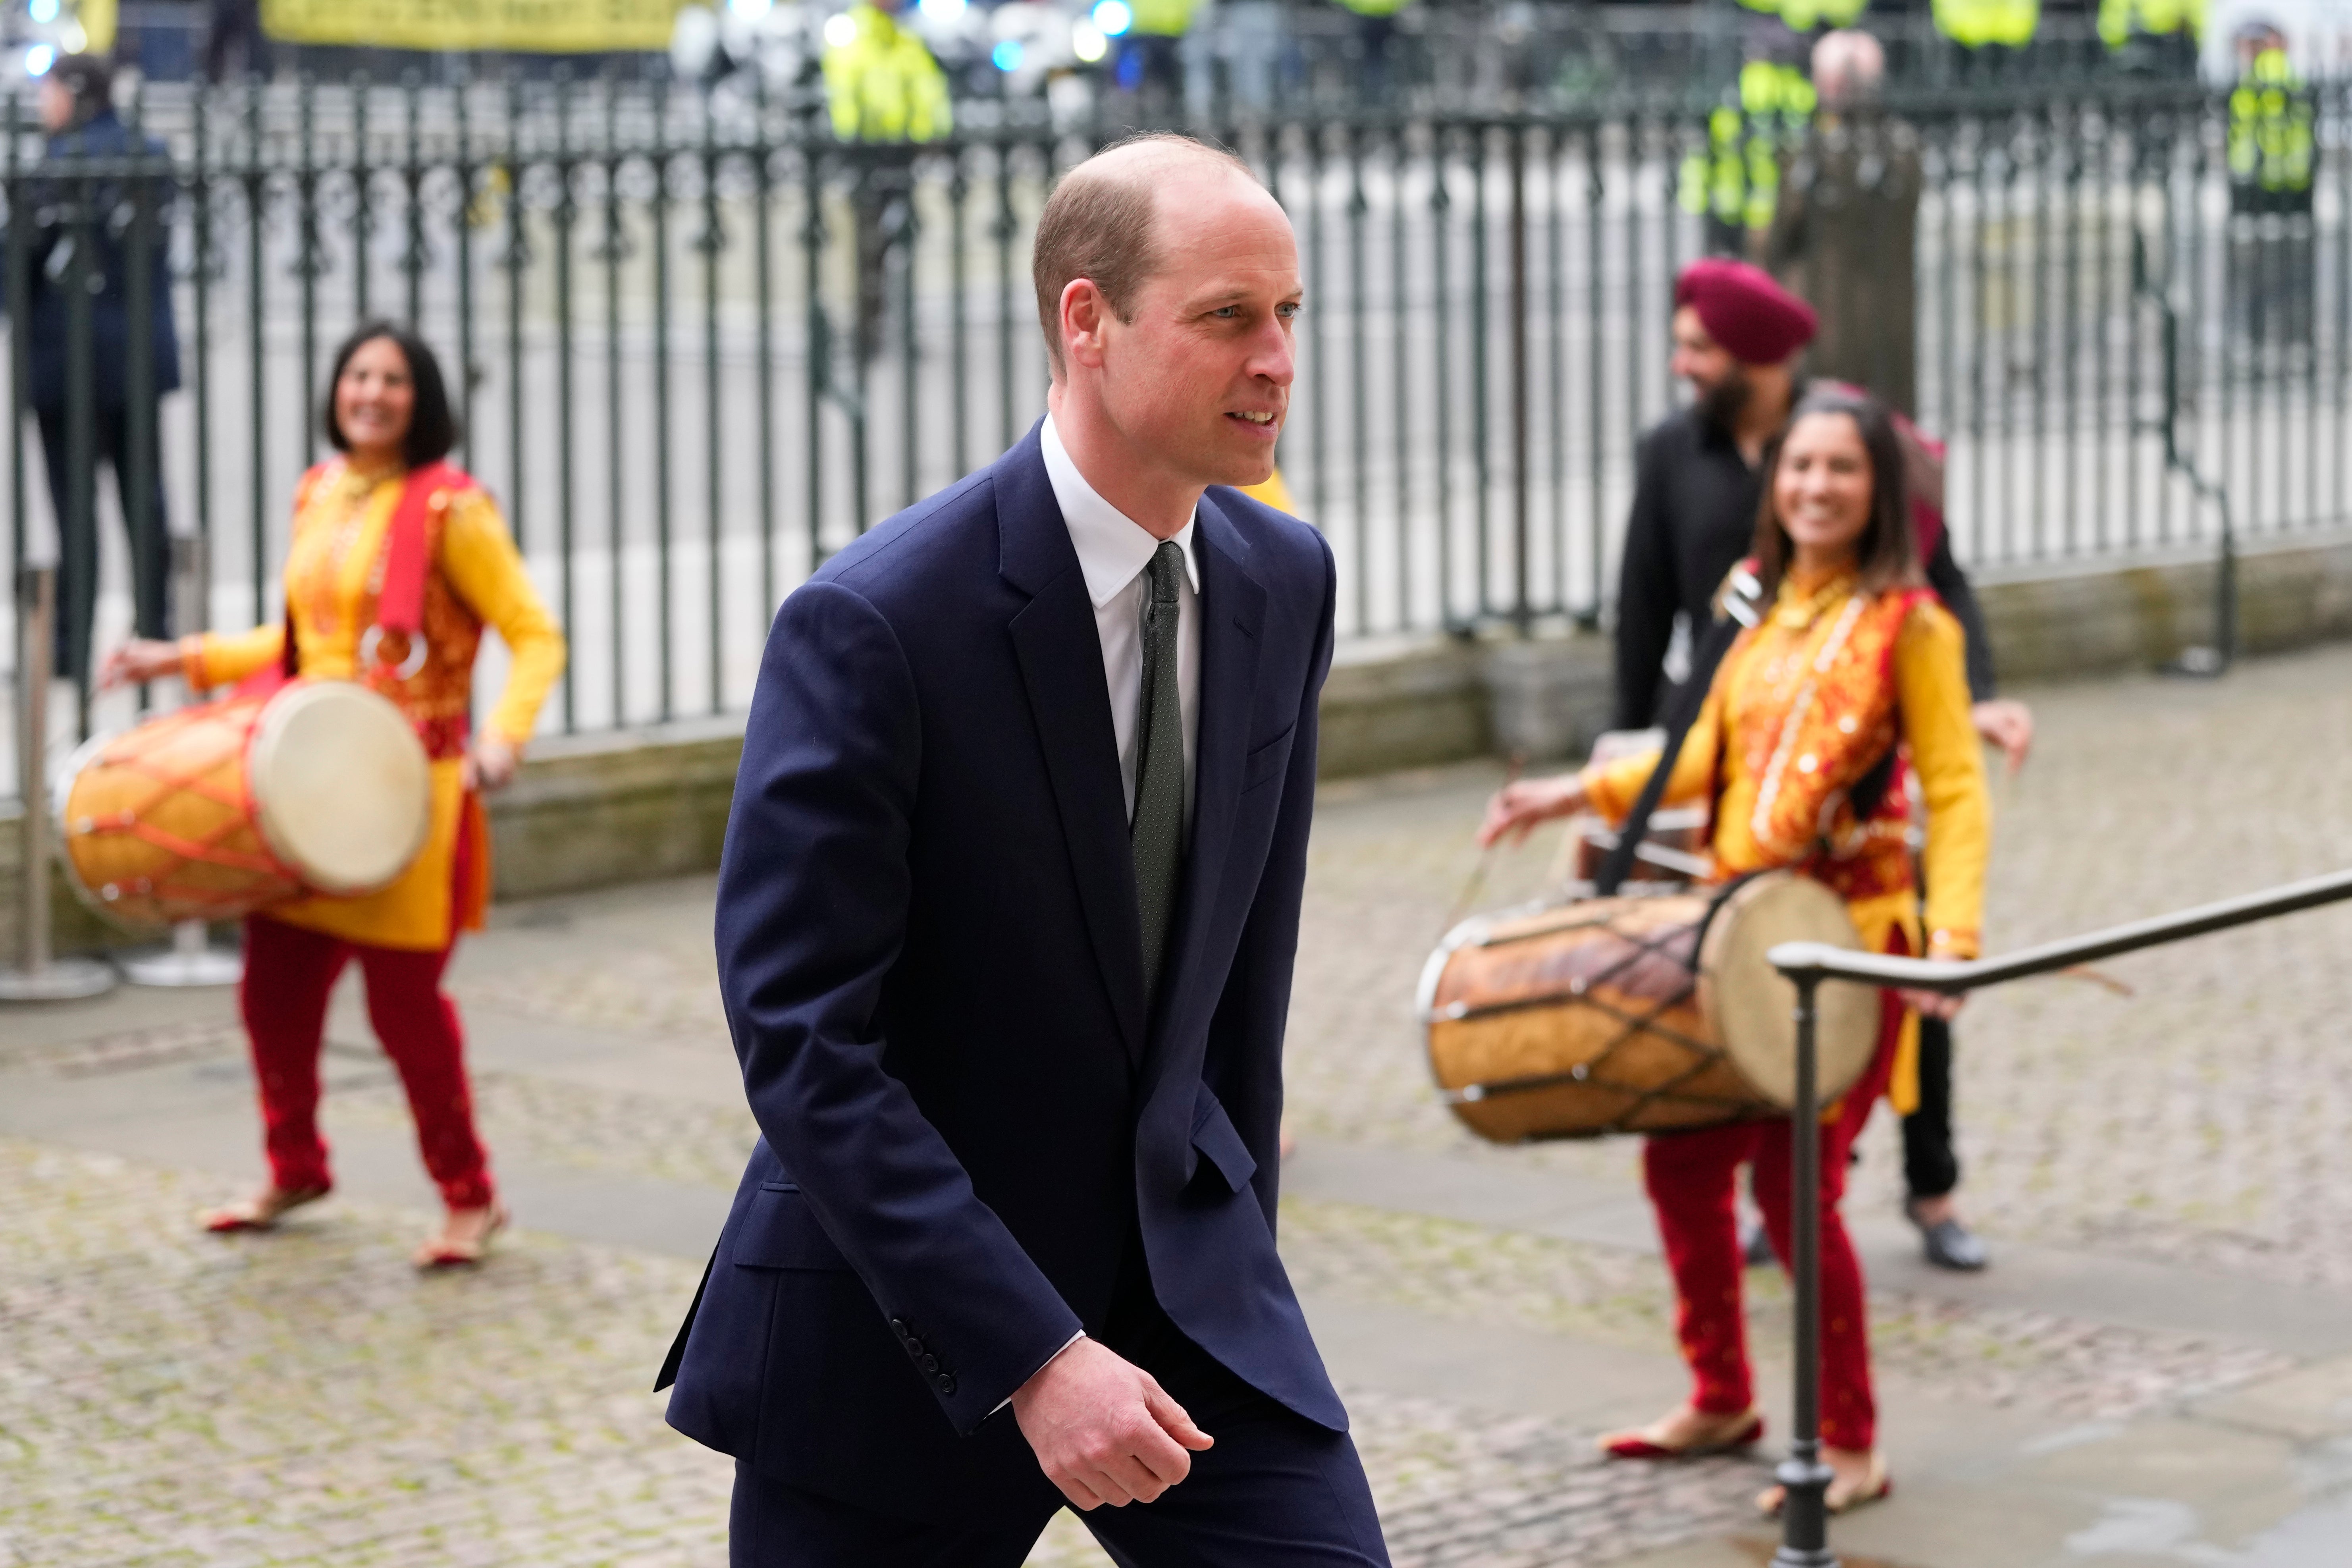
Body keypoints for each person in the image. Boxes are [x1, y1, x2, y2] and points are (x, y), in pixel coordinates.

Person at [656, 134, 1387, 1566]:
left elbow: (1243, 993)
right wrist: (1033, 1355)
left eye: (1288, 314)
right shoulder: (876, 623)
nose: (1276, 360)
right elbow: (805, 1040)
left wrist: (1236, 1255)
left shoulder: (1281, 584)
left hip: (1184, 1304)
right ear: (1084, 322)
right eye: (1228, 317)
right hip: (895, 1332)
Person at [1483, 385, 1994, 1516]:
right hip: (1732, 943)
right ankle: (1721, 1392)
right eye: (1799, 467)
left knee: (1792, 1186)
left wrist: (1951, 938)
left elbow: (1954, 791)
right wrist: (1571, 789)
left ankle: (1849, 1440)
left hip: (1852, 954)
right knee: (1679, 1164)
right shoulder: (1750, 601)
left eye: (1841, 470)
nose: (1814, 486)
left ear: (1881, 491)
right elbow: (1696, 752)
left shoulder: (1911, 623)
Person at [102, 322, 567, 1269]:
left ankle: (469, 1196)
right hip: (306, 790)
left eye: (393, 380)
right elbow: (294, 648)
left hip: (410, 795)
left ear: (420, 398)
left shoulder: (453, 512)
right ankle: (296, 1164)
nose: (372, 392)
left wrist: (503, 739)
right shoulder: (319, 492)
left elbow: (534, 632)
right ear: (337, 389)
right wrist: (176, 657)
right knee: (273, 990)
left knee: (404, 1010)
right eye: (359, 375)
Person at [1614, 258, 2025, 1269]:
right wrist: (1626, 755)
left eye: (1699, 348)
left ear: (1757, 357)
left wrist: (1971, 700)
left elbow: (1940, 577)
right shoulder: (1674, 451)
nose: (1681, 363)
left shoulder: (1854, 440)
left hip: (1862, 789)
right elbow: (1641, 604)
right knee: (1748, 1018)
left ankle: (1932, 1191)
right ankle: (1778, 1198)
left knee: (1914, 996)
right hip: (1736, 760)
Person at [9, 53, 179, 698]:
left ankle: (72, 646)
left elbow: (15, 275)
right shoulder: (149, 155)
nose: (41, 105)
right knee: (146, 499)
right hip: (134, 359)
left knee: (72, 509)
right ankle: (156, 628)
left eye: (47, 92)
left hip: (64, 364)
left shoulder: (49, 168)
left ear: (71, 95)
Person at [821, 0, 950, 362]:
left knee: (901, 242)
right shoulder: (854, 35)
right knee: (870, 246)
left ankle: (898, 327)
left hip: (900, 152)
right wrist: (850, 139)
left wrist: (930, 134)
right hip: (866, 154)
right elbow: (843, 90)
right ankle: (868, 329)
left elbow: (927, 89)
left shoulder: (904, 39)